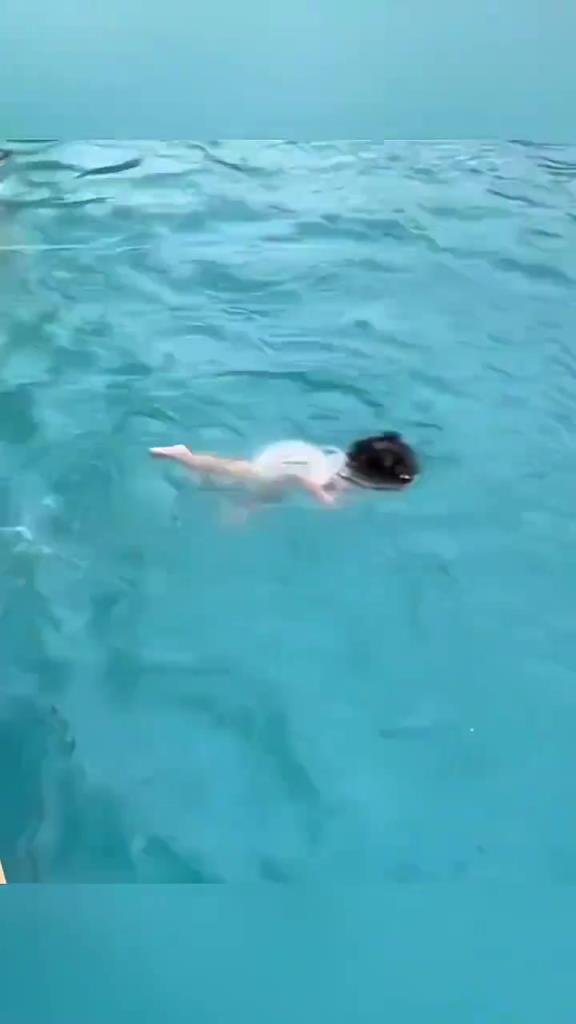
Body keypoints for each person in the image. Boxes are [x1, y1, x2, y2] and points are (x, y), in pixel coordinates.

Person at [150, 432, 418, 506]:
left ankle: (246, 507)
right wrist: (320, 495)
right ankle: (185, 456)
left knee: (264, 490)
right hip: (297, 467)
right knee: (236, 472)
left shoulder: (346, 465)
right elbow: (302, 479)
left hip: (305, 459)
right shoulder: (344, 480)